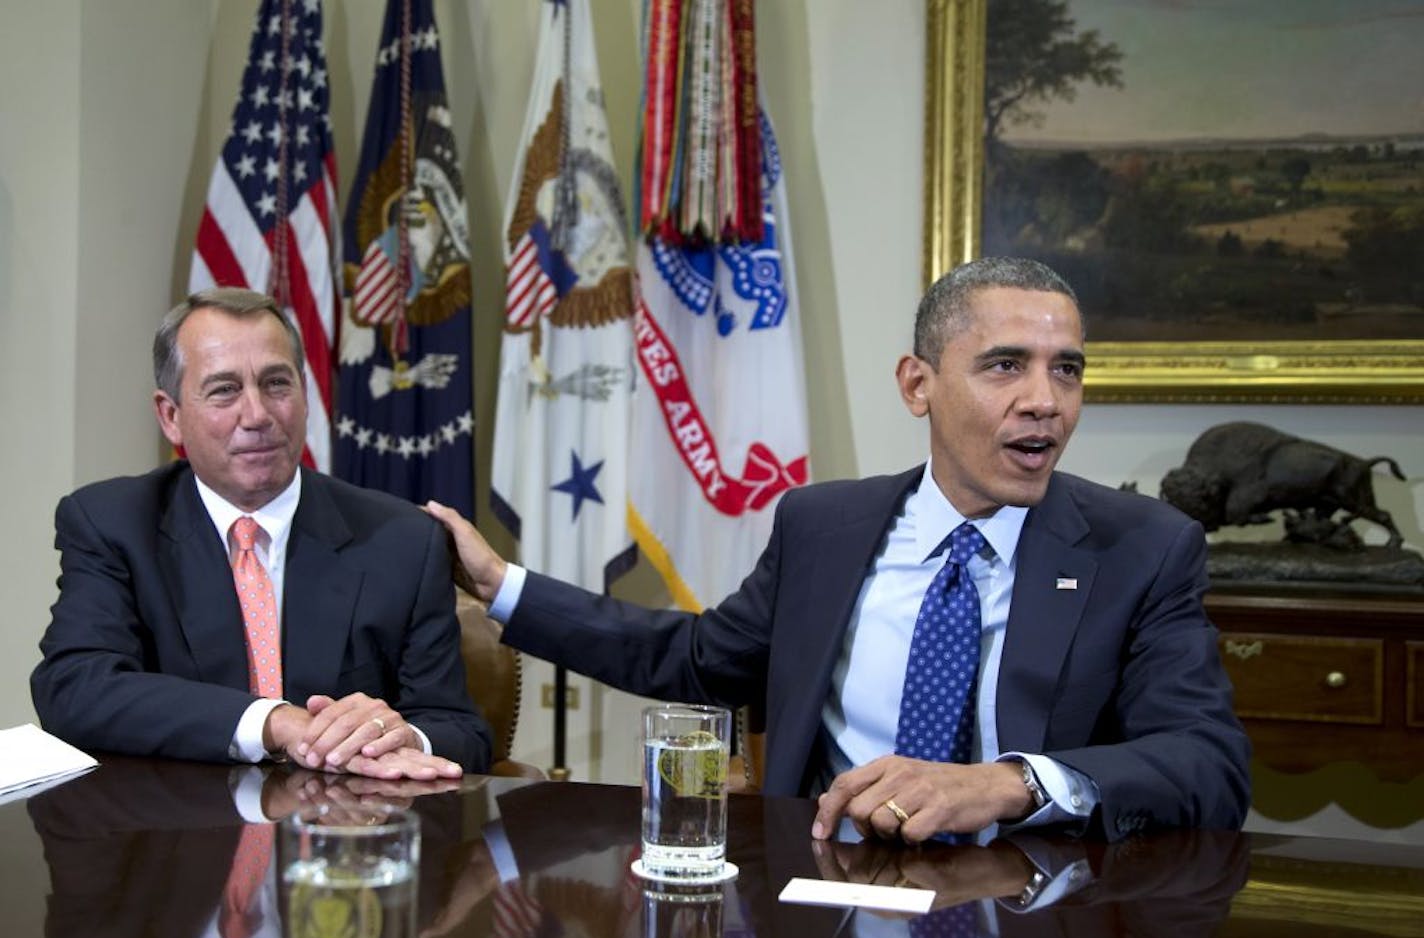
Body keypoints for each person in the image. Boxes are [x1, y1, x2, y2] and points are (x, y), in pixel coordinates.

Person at [426, 257, 1250, 840]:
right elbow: (695, 659)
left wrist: (1009, 784)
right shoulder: (825, 527)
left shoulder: (1143, 549)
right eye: (1006, 366)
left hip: (1031, 907)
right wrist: (503, 586)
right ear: (917, 384)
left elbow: (1207, 765)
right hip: (823, 890)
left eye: (1066, 371)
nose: (1045, 402)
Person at [32, 288, 489, 779]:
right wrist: (273, 721)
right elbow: (75, 688)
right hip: (180, 838)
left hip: (340, 839)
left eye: (276, 384)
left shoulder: (401, 539)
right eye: (224, 390)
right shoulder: (113, 523)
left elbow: (458, 730)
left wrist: (395, 736)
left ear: (305, 395)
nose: (257, 416)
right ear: (170, 416)